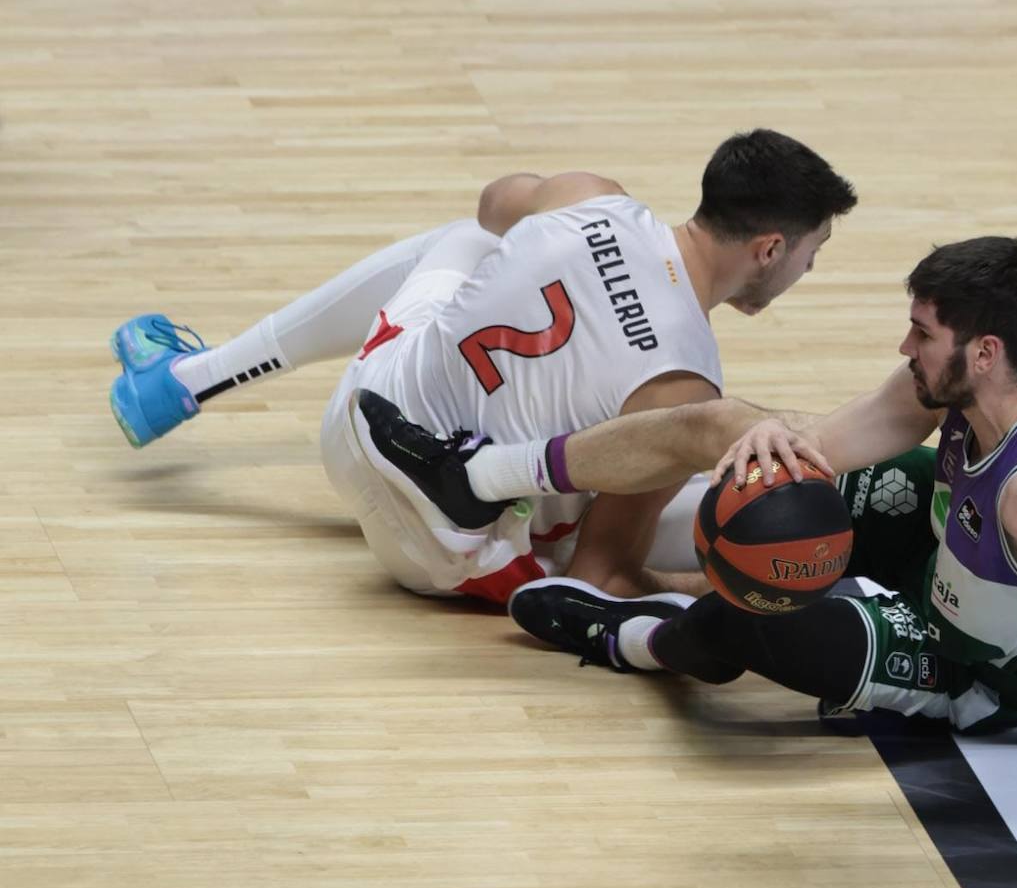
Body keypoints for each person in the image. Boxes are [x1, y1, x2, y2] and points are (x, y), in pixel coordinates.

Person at [362, 236, 1017, 804]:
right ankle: (484, 477)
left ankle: (627, 634)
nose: (905, 347)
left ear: (984, 350)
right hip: (946, 538)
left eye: (920, 333)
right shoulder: (982, 382)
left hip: (970, 658)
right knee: (763, 485)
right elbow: (838, 440)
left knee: (755, 615)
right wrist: (773, 438)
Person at [107, 129, 857, 603]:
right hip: (432, 553)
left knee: (473, 238)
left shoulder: (593, 199)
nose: (806, 272)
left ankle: (187, 380)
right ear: (767, 249)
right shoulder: (685, 384)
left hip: (362, 422)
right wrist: (715, 588)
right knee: (690, 487)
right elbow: (603, 574)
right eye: (809, 255)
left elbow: (493, 200)